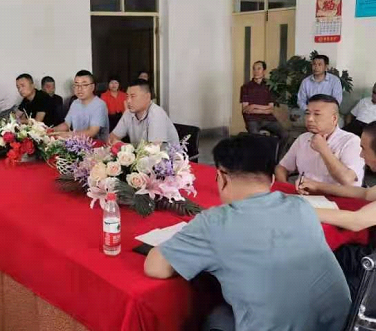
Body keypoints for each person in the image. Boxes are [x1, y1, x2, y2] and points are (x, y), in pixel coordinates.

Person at [144, 134, 351, 331]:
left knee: (215, 317)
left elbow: (155, 268)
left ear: (221, 178)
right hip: (341, 324)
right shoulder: (301, 205)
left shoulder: (216, 222)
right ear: (272, 179)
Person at [297, 121, 376, 299]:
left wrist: (299, 208)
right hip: (369, 249)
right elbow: (365, 194)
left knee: (316, 257)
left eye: (364, 149)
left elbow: (356, 221)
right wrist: (319, 186)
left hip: (371, 264)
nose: (361, 155)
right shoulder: (302, 140)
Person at [276, 94, 365, 186]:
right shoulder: (303, 138)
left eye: (317, 114)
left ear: (334, 119)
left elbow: (348, 181)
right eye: (307, 113)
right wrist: (285, 187)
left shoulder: (351, 141)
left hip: (333, 194)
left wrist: (324, 150)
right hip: (302, 192)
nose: (310, 119)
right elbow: (282, 167)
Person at [108, 79, 178, 147]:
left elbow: (154, 149)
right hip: (139, 154)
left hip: (166, 154)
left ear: (147, 97)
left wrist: (124, 146)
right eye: (127, 96)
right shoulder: (128, 113)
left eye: (133, 96)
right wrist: (115, 142)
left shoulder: (156, 113)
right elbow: (111, 139)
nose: (128, 101)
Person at [240, 61, 288, 153]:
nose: (256, 71)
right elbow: (245, 109)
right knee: (256, 138)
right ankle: (259, 158)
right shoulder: (246, 87)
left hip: (269, 119)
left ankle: (277, 156)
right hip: (252, 119)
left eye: (259, 69)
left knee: (285, 135)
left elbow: (271, 110)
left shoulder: (270, 86)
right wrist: (264, 109)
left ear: (264, 71)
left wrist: (253, 106)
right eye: (254, 69)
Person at [53, 70, 108, 141]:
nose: (79, 89)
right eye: (76, 85)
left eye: (84, 85)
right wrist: (52, 130)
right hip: (77, 143)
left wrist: (68, 135)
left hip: (97, 145)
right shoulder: (75, 103)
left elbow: (92, 132)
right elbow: (66, 124)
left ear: (92, 87)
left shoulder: (100, 105)